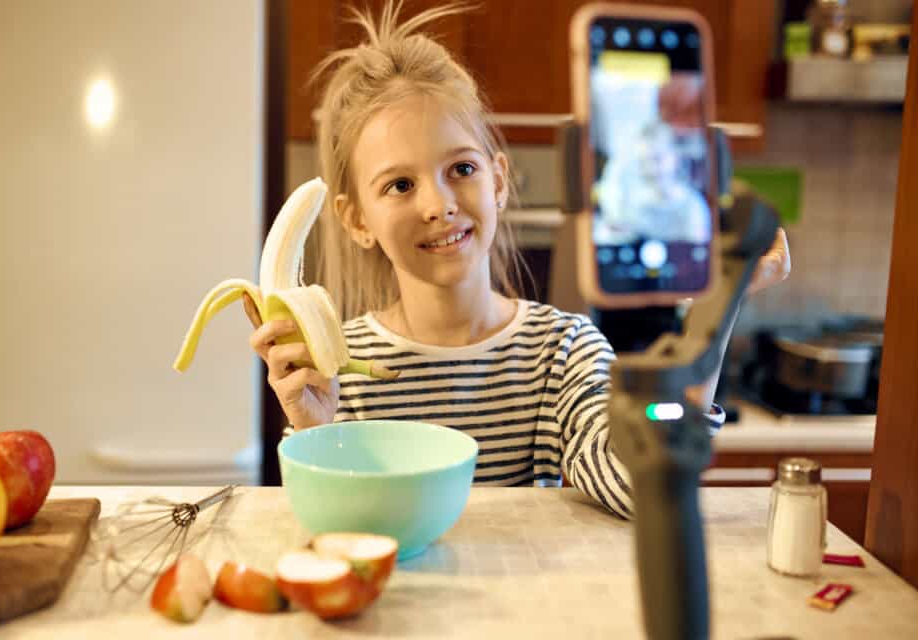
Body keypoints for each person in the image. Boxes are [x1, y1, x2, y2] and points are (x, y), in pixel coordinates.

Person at [249, 2, 790, 519]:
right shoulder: (341, 369)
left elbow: (641, 487)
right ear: (357, 220)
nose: (439, 205)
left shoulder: (563, 352)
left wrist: (721, 301)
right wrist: (315, 430)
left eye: (461, 169)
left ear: (499, 181)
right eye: (400, 184)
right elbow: (333, 534)